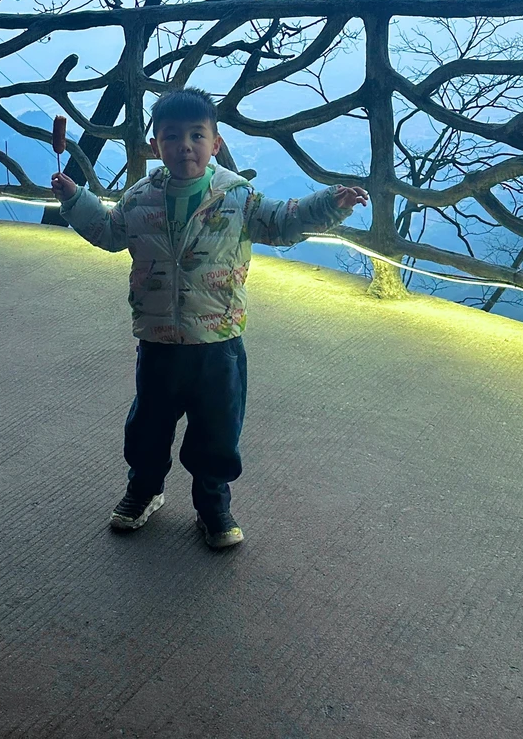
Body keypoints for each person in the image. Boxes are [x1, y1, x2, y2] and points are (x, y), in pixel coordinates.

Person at [51, 87, 368, 550]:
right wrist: (75, 197)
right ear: (156, 146)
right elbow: (108, 231)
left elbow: (283, 221)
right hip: (158, 340)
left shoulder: (237, 198)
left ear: (215, 143)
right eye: (172, 136)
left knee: (217, 429)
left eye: (197, 135)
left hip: (219, 341)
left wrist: (329, 204)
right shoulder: (141, 198)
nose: (185, 146)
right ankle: (144, 490)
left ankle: (213, 504)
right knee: (149, 425)